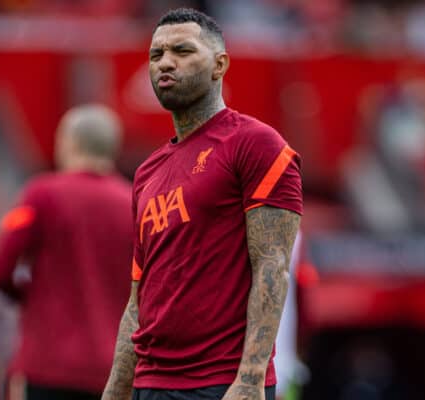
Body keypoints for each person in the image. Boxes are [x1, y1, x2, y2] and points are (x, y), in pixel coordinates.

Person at [102, 8, 302, 400]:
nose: (165, 63)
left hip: (220, 384)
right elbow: (138, 300)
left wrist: (250, 378)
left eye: (182, 50)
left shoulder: (256, 144)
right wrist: (115, 389)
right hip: (151, 384)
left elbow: (272, 266)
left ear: (219, 64)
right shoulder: (146, 173)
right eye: (156, 55)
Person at [0, 104, 133, 400]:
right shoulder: (135, 204)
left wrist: (32, 297)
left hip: (46, 363)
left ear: (68, 143)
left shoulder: (41, 195)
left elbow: (2, 267)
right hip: (110, 370)